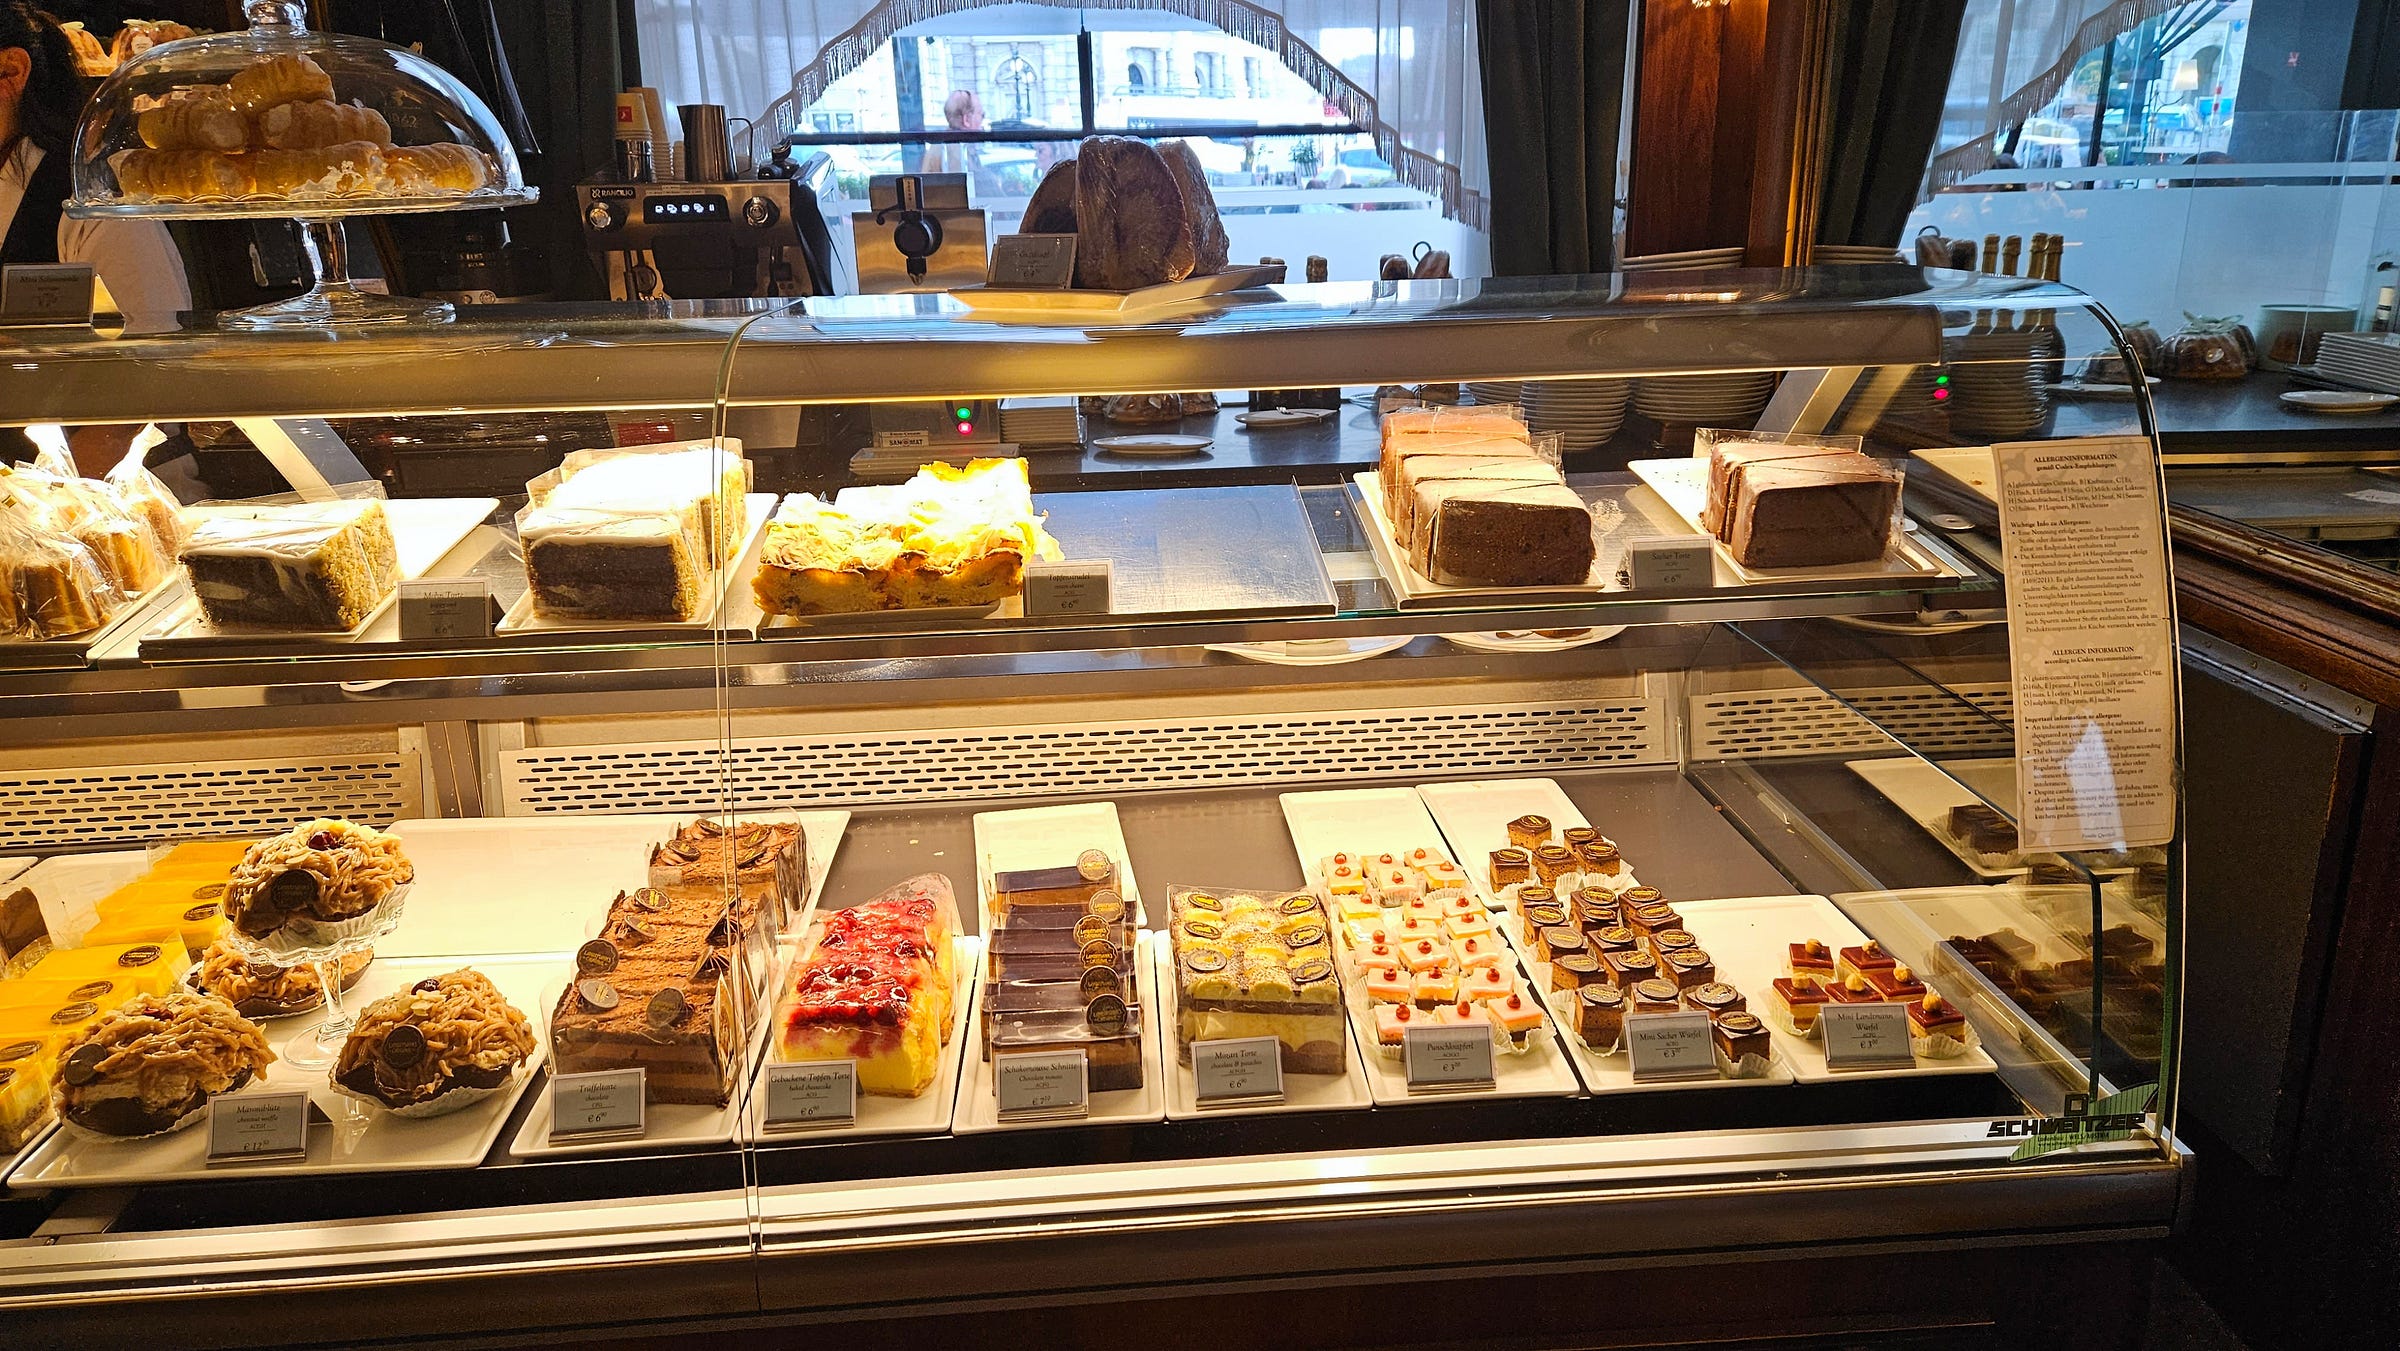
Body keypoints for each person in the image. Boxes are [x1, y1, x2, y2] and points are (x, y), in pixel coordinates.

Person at [0, 3, 193, 473]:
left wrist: (48, 514)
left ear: (11, 70)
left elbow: (154, 372)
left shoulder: (88, 198)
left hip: (87, 506)